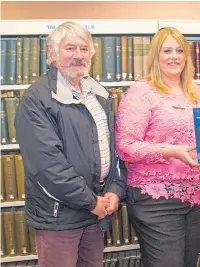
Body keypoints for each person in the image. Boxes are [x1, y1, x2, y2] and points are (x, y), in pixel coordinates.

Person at [14, 21, 126, 267]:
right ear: (52, 54)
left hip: (97, 211)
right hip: (60, 216)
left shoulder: (99, 95)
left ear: (92, 54)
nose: (78, 55)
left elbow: (115, 150)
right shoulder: (37, 99)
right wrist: (91, 202)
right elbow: (47, 165)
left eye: (84, 49)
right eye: (70, 48)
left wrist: (115, 191)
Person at [115, 27, 200, 267]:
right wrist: (170, 151)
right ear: (155, 56)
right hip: (157, 201)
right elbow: (125, 146)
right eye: (167, 50)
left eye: (179, 50)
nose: (174, 56)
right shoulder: (141, 92)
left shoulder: (195, 90)